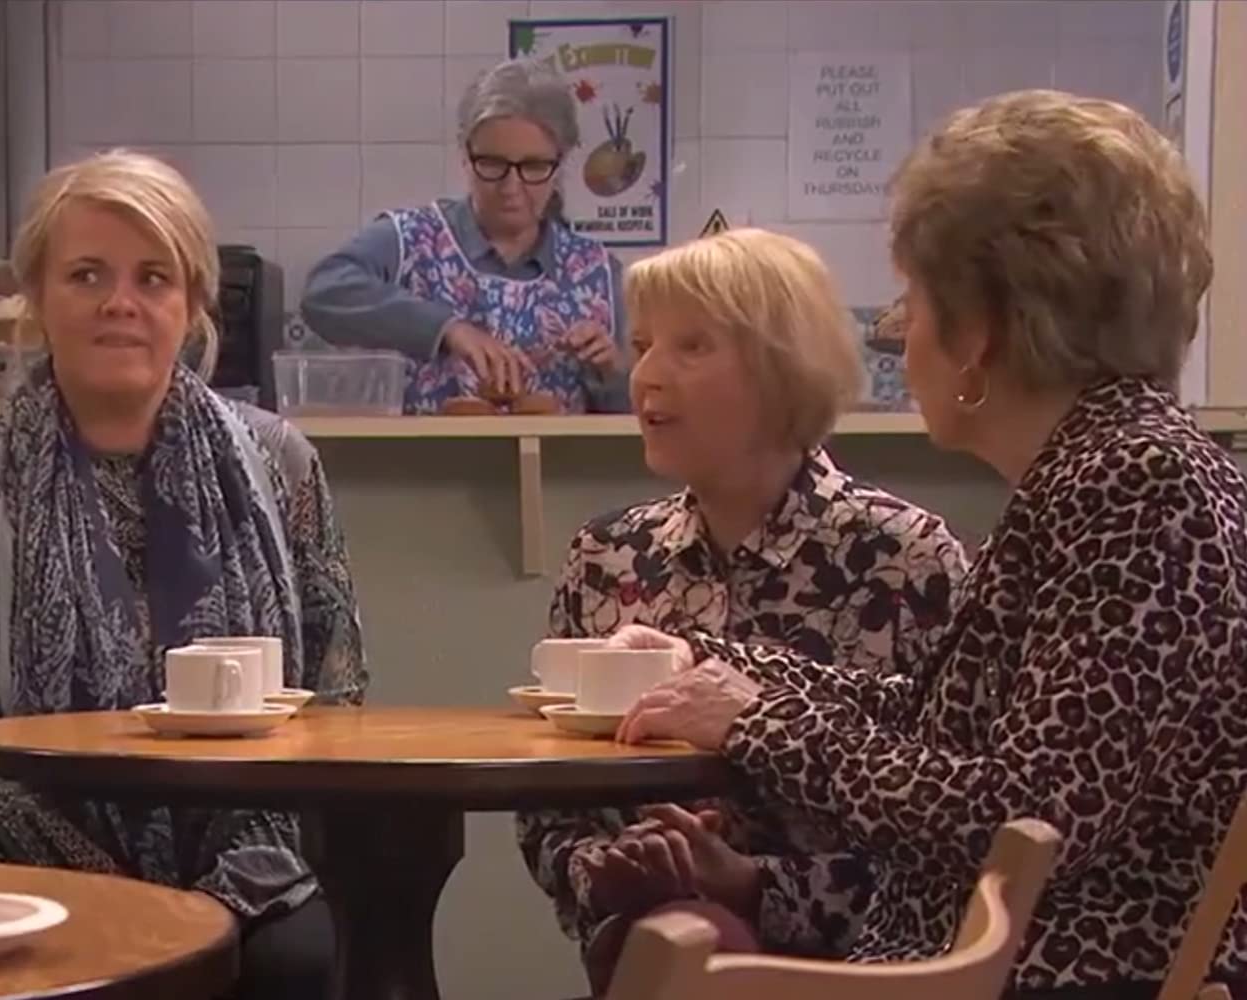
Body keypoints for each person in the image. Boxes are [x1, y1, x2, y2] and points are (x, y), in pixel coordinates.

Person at [610, 90, 1247, 1000]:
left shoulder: (1136, 483)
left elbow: (1024, 815)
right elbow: (936, 722)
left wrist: (756, 723)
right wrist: (714, 667)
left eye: (911, 299)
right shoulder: (1105, 467)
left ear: (978, 332)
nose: (898, 332)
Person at [0, 149, 367, 1000]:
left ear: (192, 303)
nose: (121, 303)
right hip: (13, 856)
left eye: (153, 278)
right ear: (37, 297)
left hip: (247, 858)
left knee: (303, 957)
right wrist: (104, 880)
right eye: (86, 275)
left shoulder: (279, 461)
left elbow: (338, 702)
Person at [514, 229, 968, 993]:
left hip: (865, 968)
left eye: (691, 346)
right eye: (643, 346)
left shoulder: (905, 557)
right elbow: (549, 801)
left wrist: (752, 885)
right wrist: (605, 869)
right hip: (650, 941)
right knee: (680, 932)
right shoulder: (608, 555)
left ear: (781, 368)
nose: (647, 375)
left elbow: (946, 829)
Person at [300, 57, 628, 414]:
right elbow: (323, 292)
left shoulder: (597, 274)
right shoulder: (412, 240)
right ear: (465, 155)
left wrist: (611, 372)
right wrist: (447, 329)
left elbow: (642, 419)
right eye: (492, 164)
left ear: (560, 163)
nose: (511, 187)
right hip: (423, 453)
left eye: (534, 166)